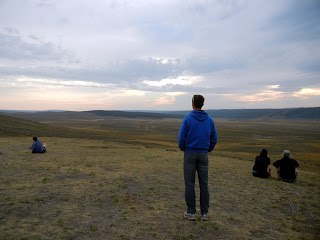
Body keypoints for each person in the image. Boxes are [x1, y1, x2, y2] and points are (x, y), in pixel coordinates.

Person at [178, 95, 218, 221]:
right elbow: (214, 138)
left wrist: (185, 149)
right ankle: (204, 213)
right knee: (204, 184)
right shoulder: (209, 120)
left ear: (192, 103)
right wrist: (207, 149)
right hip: (203, 155)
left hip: (190, 154)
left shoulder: (188, 119)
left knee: (189, 184)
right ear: (203, 104)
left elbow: (181, 138)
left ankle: (191, 212)